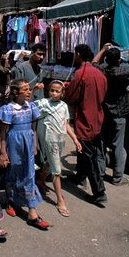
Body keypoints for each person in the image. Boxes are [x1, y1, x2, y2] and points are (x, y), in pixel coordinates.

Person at [0, 79, 50, 230]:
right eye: (25, 89)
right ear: (16, 93)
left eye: (29, 89)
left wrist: (34, 145)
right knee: (13, 173)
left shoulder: (31, 106)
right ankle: (10, 200)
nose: (29, 91)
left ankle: (32, 212)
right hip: (14, 143)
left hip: (28, 144)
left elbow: (33, 127)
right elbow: (3, 132)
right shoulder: (8, 109)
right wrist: (3, 152)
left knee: (29, 174)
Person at [64, 44, 108, 206]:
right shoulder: (99, 73)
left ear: (78, 54)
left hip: (85, 119)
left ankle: (99, 192)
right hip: (97, 117)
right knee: (86, 151)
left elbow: (71, 96)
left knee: (89, 155)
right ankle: (80, 176)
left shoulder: (80, 73)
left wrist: (65, 90)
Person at [92, 44, 129, 185]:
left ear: (106, 59)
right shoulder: (122, 73)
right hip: (118, 113)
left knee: (101, 145)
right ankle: (117, 177)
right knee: (117, 145)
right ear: (119, 60)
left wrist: (102, 50)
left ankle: (100, 173)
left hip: (104, 113)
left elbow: (94, 62)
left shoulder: (102, 71)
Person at [34, 80, 82, 217]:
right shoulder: (44, 103)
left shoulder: (64, 106)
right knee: (56, 170)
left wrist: (74, 138)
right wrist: (34, 90)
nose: (54, 93)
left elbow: (65, 124)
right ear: (49, 91)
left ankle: (41, 180)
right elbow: (29, 103)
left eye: (57, 91)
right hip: (51, 140)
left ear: (62, 93)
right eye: (52, 90)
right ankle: (60, 200)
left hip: (61, 140)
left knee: (50, 162)